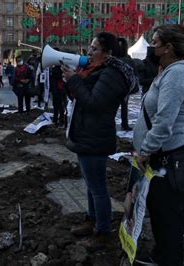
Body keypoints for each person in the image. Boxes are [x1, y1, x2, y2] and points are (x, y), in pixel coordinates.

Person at [132, 24, 184, 265]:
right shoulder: (172, 70)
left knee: (167, 214)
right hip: (162, 154)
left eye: (155, 42)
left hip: (166, 157)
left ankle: (168, 260)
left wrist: (145, 150)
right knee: (161, 211)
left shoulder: (178, 74)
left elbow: (164, 122)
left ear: (168, 47)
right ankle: (162, 255)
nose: (151, 46)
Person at [61, 32, 137, 250]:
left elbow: (94, 103)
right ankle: (92, 219)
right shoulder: (97, 70)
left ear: (108, 53)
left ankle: (103, 231)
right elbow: (80, 97)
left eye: (94, 48)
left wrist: (74, 80)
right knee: (91, 185)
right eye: (90, 47)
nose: (89, 51)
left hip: (94, 136)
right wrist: (71, 81)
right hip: (86, 134)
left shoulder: (112, 74)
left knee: (98, 188)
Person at [117, 37, 138, 131]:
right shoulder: (128, 59)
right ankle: (124, 124)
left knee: (118, 106)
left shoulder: (115, 59)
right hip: (125, 87)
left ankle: (124, 124)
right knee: (124, 106)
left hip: (119, 86)